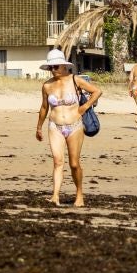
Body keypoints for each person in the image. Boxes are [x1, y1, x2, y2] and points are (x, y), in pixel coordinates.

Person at [34, 49, 103, 207]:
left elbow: (97, 92)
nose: (53, 70)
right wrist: (39, 127)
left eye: (55, 66)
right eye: (50, 67)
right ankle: (55, 196)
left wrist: (83, 108)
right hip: (55, 126)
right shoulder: (47, 86)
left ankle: (79, 194)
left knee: (74, 164)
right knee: (58, 162)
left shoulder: (75, 80)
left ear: (64, 66)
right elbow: (44, 108)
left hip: (75, 126)